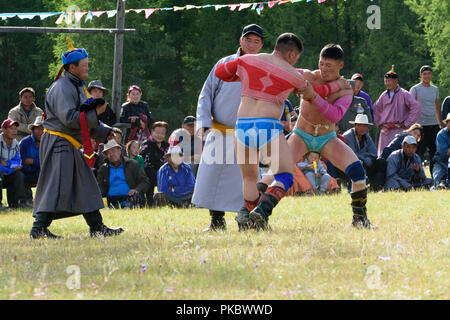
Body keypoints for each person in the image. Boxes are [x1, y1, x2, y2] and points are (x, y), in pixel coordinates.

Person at [215, 34, 349, 230]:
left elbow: (220, 73)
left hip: (242, 125)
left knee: (249, 178)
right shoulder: (292, 74)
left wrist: (240, 75)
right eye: (296, 58)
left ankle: (249, 221)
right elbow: (314, 94)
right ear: (292, 54)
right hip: (267, 126)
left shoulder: (247, 60)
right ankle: (261, 212)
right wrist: (339, 85)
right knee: (284, 175)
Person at [30, 46, 124, 239]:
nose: (87, 68)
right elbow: (71, 119)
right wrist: (96, 113)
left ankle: (97, 227)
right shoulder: (61, 88)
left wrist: (106, 131)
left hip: (68, 143)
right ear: (72, 67)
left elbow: (82, 118)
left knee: (85, 184)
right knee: (55, 186)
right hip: (59, 143)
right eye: (84, 65)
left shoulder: (78, 86)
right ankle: (38, 229)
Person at [288, 44, 373, 229]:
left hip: (327, 137)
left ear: (340, 66)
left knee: (358, 173)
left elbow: (334, 116)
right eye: (322, 64)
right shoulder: (309, 76)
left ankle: (359, 219)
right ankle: (258, 214)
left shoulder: (346, 89)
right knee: (276, 171)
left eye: (329, 66)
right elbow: (285, 71)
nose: (324, 69)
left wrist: (314, 94)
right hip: (301, 133)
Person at [192, 24, 264, 232]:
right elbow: (206, 94)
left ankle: (247, 219)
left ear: (261, 46)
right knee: (213, 177)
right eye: (248, 40)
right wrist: (203, 123)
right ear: (240, 41)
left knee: (249, 178)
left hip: (248, 132)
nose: (251, 44)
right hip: (220, 130)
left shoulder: (263, 68)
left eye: (256, 41)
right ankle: (216, 220)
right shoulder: (225, 64)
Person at [373, 66, 421, 156]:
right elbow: (376, 109)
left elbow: (416, 107)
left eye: (390, 81)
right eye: (386, 81)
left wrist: (407, 122)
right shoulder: (383, 95)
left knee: (398, 154)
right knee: (383, 154)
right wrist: (379, 123)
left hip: (399, 129)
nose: (387, 83)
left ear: (396, 81)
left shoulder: (404, 94)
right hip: (386, 131)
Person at [97, 139, 149, 209]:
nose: (111, 154)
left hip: (129, 197)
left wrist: (136, 190)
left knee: (132, 200)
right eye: (108, 153)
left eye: (113, 151)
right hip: (111, 199)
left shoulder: (133, 164)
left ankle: (125, 206)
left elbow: (145, 182)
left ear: (119, 150)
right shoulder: (103, 169)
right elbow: (100, 187)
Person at [409, 65, 441, 175]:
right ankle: (416, 176)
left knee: (434, 153)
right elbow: (410, 106)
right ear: (421, 75)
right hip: (420, 126)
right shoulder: (415, 89)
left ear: (431, 75)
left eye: (429, 74)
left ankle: (435, 176)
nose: (427, 76)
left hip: (434, 125)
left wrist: (440, 124)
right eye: (424, 74)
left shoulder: (435, 89)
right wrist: (411, 124)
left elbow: (437, 107)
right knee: (418, 152)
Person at [342, 114, 386, 192]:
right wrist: (365, 159)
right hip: (349, 163)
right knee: (359, 162)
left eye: (365, 126)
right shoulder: (348, 136)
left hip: (366, 162)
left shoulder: (367, 137)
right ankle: (357, 187)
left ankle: (376, 187)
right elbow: (352, 154)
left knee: (381, 162)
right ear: (355, 125)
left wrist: (365, 158)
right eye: (360, 125)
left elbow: (374, 153)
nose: (362, 128)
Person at [141, 121, 170, 206]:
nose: (159, 135)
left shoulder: (166, 146)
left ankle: (169, 200)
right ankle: (150, 201)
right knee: (151, 173)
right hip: (148, 173)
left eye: (162, 133)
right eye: (157, 132)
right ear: (152, 131)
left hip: (163, 172)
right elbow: (146, 163)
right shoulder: (146, 145)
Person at [0, 119, 27, 209]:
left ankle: (14, 204)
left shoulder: (15, 143)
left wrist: (7, 164)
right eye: (11, 128)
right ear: (3, 130)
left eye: (16, 128)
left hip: (7, 171)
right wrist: (12, 167)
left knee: (19, 174)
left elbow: (18, 161)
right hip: (1, 173)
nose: (14, 131)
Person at [19, 116, 44, 205]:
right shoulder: (25, 142)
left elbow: (46, 162)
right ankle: (25, 200)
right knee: (20, 175)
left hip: (40, 171)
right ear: (33, 130)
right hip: (26, 171)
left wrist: (33, 162)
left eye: (42, 129)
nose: (40, 132)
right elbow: (22, 161)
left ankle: (42, 200)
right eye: (37, 129)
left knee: (45, 172)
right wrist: (37, 164)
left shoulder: (47, 143)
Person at [432, 113, 450, 188]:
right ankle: (441, 184)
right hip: (441, 162)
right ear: (447, 123)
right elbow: (444, 153)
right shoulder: (441, 134)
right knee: (438, 177)